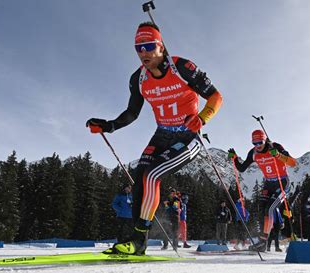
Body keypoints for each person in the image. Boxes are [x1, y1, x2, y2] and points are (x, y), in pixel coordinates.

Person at [87, 21, 223, 255]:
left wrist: (202, 118)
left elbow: (215, 96)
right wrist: (109, 126)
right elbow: (132, 113)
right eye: (138, 47)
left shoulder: (183, 68)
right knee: (140, 178)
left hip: (188, 136)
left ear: (161, 47)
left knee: (152, 175)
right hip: (161, 135)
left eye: (149, 46)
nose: (143, 53)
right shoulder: (138, 79)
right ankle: (136, 241)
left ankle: (138, 242)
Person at [228, 129, 297, 252]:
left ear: (264, 140)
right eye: (254, 143)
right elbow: (242, 168)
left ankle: (264, 241)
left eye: (260, 142)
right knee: (262, 208)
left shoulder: (275, 147)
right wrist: (234, 158)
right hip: (268, 184)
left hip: (282, 183)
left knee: (270, 208)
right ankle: (262, 240)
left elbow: (293, 163)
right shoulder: (253, 153)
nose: (257, 146)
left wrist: (278, 155)